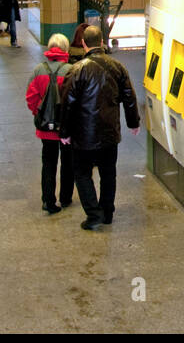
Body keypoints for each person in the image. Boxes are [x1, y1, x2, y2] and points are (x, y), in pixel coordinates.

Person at [59, 24, 139, 231]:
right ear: (102, 42)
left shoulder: (77, 70)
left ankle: (93, 213)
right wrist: (133, 122)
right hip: (110, 132)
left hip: (84, 134)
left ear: (84, 43)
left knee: (82, 173)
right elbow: (129, 97)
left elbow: (67, 103)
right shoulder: (117, 67)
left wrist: (64, 132)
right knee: (108, 173)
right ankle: (107, 213)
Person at [25, 34, 77, 214]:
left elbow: (30, 97)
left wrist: (40, 113)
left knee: (48, 162)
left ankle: (48, 200)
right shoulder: (71, 70)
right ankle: (66, 197)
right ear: (65, 49)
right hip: (66, 127)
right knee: (68, 162)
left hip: (46, 129)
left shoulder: (39, 70)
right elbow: (76, 100)